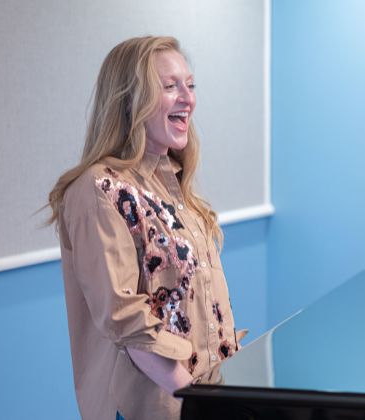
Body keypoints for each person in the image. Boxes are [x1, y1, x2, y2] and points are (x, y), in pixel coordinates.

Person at [47, 36, 244, 420]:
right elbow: (125, 319)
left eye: (190, 85)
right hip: (153, 406)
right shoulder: (97, 189)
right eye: (169, 87)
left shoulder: (171, 180)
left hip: (202, 397)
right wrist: (195, 399)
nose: (187, 98)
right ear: (129, 100)